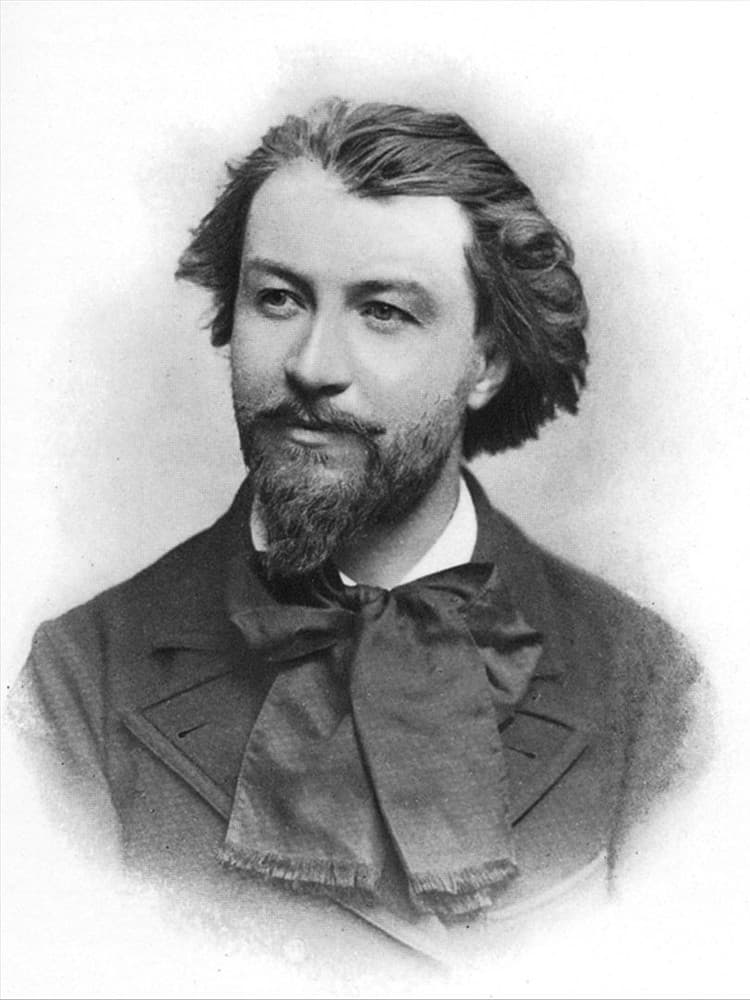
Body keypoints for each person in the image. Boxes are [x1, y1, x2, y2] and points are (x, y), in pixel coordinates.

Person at [10, 97, 704, 966]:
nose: (311, 366)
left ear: (485, 362)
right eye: (277, 299)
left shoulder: (647, 688)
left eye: (383, 311)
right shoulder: (79, 681)